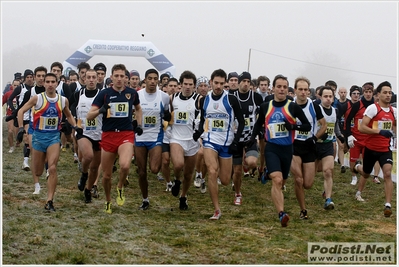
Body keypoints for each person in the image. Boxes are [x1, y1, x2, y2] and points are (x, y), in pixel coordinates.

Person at [249, 74, 311, 227]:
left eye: (284, 87)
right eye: (279, 86)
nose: (282, 89)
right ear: (273, 89)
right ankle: (281, 213)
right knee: (276, 180)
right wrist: (252, 139)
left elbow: (307, 126)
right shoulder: (266, 106)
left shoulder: (292, 107)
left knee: (282, 180)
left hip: (287, 149)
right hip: (272, 148)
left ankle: (267, 173)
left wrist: (293, 127)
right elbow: (258, 124)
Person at [16, 73, 78, 211]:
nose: (50, 84)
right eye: (47, 82)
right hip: (38, 137)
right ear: (44, 84)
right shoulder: (37, 98)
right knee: (38, 171)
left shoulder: (63, 100)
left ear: (57, 84)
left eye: (53, 82)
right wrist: (21, 129)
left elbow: (68, 115)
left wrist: (75, 126)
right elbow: (21, 111)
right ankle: (41, 172)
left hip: (53, 137)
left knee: (53, 167)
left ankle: (49, 200)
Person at [87, 64, 142, 214]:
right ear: (111, 77)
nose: (119, 79)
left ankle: (120, 187)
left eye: (122, 76)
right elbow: (89, 115)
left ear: (126, 78)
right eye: (116, 76)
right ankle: (108, 200)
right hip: (108, 135)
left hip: (126, 134)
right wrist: (101, 110)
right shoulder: (104, 93)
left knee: (125, 166)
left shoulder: (132, 93)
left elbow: (138, 109)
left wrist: (139, 123)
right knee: (106, 175)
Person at [196, 69, 245, 220]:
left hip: (227, 142)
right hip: (210, 140)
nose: (218, 86)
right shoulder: (205, 100)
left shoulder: (231, 100)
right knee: (212, 171)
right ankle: (216, 210)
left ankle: (232, 190)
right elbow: (204, 120)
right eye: (215, 83)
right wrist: (198, 133)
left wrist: (236, 141)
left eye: (221, 84)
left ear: (225, 84)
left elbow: (241, 122)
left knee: (224, 180)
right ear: (211, 82)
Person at [353, 81, 396, 218]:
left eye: (390, 92)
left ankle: (388, 205)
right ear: (378, 95)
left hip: (385, 149)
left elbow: (395, 127)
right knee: (366, 173)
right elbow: (362, 127)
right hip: (371, 148)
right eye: (385, 92)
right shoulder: (373, 108)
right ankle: (358, 169)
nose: (388, 95)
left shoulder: (394, 111)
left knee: (387, 174)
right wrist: (379, 132)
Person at [290, 76, 326, 219]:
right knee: (298, 179)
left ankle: (300, 192)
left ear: (309, 92)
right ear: (295, 90)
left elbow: (323, 125)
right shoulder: (289, 105)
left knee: (308, 184)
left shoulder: (314, 106)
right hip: (293, 145)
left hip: (309, 145)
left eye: (306, 90)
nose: (303, 92)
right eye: (300, 89)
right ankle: (303, 210)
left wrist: (315, 138)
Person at [134, 68, 170, 210]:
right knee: (142, 172)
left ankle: (156, 166)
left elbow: (167, 114)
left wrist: (167, 119)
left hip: (156, 136)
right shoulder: (137, 95)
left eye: (156, 79)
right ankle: (145, 199)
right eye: (150, 78)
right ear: (145, 80)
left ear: (159, 81)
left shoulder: (164, 97)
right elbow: (132, 113)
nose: (153, 81)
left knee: (154, 169)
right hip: (140, 136)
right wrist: (135, 125)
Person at [167, 70, 202, 210]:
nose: (188, 87)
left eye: (190, 84)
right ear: (180, 85)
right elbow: (167, 115)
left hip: (192, 140)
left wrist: (198, 132)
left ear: (194, 86)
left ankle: (183, 197)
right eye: (185, 84)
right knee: (178, 165)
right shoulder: (172, 98)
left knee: (188, 174)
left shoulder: (198, 99)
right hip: (176, 137)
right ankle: (176, 180)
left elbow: (203, 117)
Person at [69, 69, 103, 203]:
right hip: (83, 132)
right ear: (84, 79)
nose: (91, 80)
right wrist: (73, 122)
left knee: (95, 167)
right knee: (88, 156)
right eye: (88, 77)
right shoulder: (78, 94)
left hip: (99, 133)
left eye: (94, 77)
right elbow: (70, 108)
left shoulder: (102, 94)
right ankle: (84, 174)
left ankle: (88, 189)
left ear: (97, 79)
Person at [230, 71, 263, 205]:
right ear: (238, 82)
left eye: (248, 82)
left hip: (250, 137)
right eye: (243, 81)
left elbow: (262, 115)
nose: (246, 84)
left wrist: (259, 130)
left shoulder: (256, 97)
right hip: (236, 138)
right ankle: (238, 193)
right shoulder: (232, 97)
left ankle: (247, 163)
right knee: (237, 172)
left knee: (252, 163)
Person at [314, 86, 345, 210]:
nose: (328, 99)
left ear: (333, 98)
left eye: (330, 96)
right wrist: (318, 134)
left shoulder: (335, 110)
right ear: (320, 97)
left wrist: (339, 135)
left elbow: (335, 124)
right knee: (309, 180)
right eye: (325, 96)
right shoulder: (316, 109)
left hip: (328, 145)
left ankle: (328, 199)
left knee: (328, 171)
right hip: (315, 145)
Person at [7, 69, 35, 171]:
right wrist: (14, 110)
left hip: (33, 116)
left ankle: (27, 161)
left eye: (31, 77)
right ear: (24, 78)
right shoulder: (20, 88)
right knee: (24, 138)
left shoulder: (35, 89)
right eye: (27, 77)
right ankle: (26, 160)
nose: (29, 79)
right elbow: (10, 99)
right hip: (22, 115)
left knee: (27, 138)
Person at [340, 85, 361, 184]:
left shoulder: (362, 106)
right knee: (345, 150)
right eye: (354, 94)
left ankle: (354, 175)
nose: (356, 96)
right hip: (346, 132)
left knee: (356, 154)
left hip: (359, 133)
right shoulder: (346, 106)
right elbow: (338, 117)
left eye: (358, 94)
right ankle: (341, 161)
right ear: (351, 94)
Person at [193, 76, 210, 193]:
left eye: (205, 86)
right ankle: (198, 174)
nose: (203, 88)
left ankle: (202, 177)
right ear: (197, 87)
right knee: (200, 154)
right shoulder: (193, 100)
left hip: (207, 133)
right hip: (194, 133)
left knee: (204, 158)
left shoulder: (211, 100)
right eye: (201, 86)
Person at [2, 79, 20, 153]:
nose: (15, 87)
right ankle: (11, 147)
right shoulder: (8, 94)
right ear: (12, 85)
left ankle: (18, 141)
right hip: (10, 114)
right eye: (14, 85)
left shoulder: (23, 93)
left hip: (20, 115)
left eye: (17, 85)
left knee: (18, 133)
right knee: (10, 131)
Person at [337, 86, 349, 173]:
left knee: (346, 147)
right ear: (338, 93)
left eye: (345, 92)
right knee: (341, 146)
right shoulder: (336, 103)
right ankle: (342, 165)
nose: (343, 94)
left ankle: (339, 158)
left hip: (347, 127)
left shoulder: (349, 103)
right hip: (338, 127)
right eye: (341, 92)